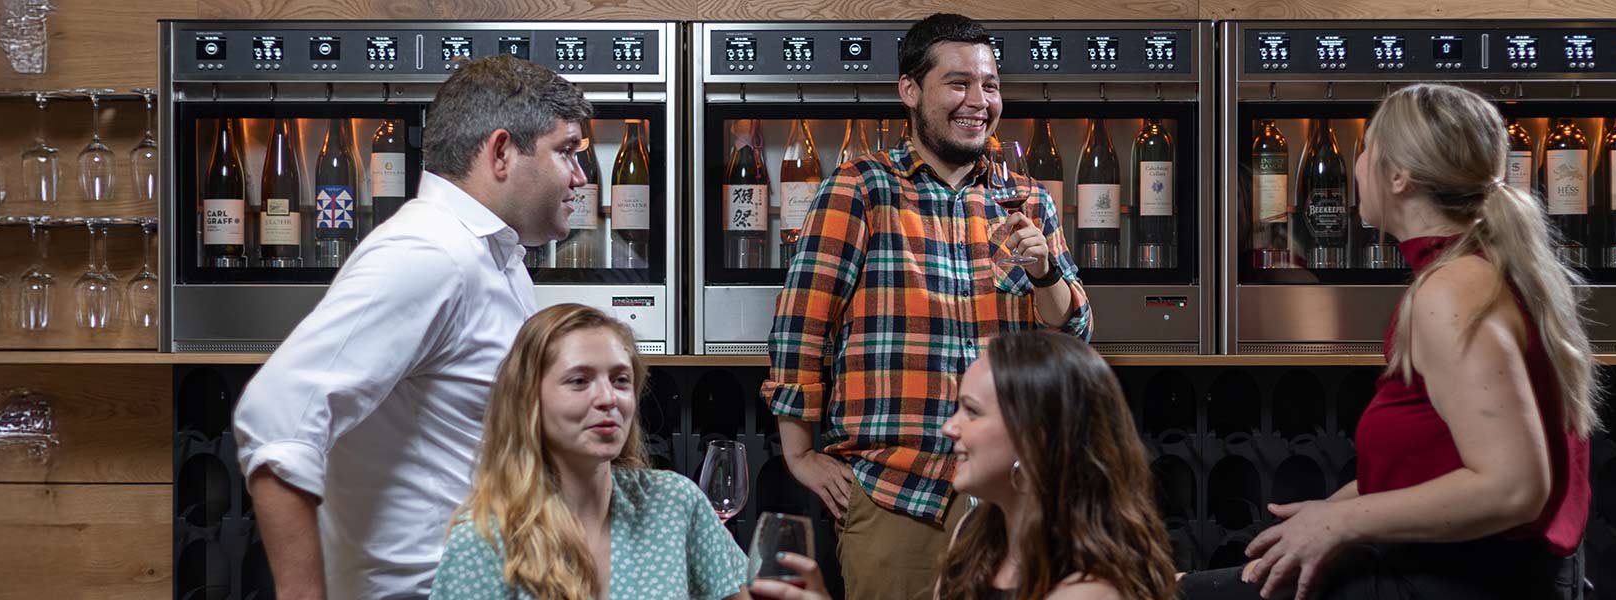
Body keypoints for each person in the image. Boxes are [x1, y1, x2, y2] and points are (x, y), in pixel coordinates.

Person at [1181, 83, 1596, 600]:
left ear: (1398, 177)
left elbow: (1515, 488)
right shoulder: (1477, 271)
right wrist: (1331, 514)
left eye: (1366, 150)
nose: (1357, 167)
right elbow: (1440, 460)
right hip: (1465, 569)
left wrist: (1341, 523)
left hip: (1464, 580)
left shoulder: (1452, 291)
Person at [232, 55, 592, 599]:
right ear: (500, 152)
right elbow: (276, 417)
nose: (580, 177)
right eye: (566, 152)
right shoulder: (428, 253)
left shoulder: (497, 257)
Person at [762, 12, 1093, 600]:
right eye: (958, 83)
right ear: (910, 90)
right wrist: (799, 454)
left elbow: (1072, 341)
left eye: (989, 85)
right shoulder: (860, 189)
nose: (979, 101)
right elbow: (800, 328)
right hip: (897, 494)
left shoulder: (1028, 199)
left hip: (1015, 496)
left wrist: (1046, 272)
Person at [749, 330, 1177, 600]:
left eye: (971, 411)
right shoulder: (976, 538)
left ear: (1037, 437)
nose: (949, 427)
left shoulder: (1088, 592)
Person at [429, 304, 749, 599]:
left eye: (620, 380)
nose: (608, 398)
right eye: (579, 381)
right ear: (528, 400)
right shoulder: (483, 542)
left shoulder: (674, 504)